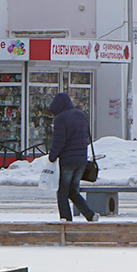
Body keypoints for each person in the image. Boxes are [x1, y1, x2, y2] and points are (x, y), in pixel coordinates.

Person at [47, 92, 97, 222]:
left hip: (68, 160)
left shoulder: (61, 119)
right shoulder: (81, 115)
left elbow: (59, 141)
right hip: (81, 160)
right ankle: (90, 214)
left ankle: (66, 219)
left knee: (62, 192)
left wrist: (52, 157)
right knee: (73, 191)